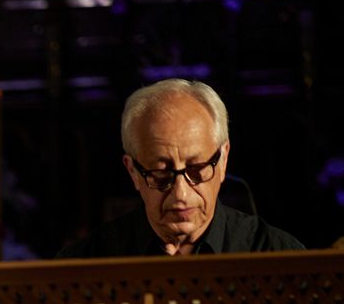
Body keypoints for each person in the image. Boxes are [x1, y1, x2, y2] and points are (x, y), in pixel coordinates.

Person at [58, 78, 305, 258]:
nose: (180, 195)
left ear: (223, 160)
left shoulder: (279, 256)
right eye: (161, 174)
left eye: (197, 169)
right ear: (133, 171)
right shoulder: (85, 262)